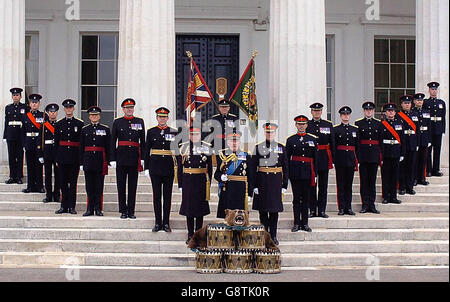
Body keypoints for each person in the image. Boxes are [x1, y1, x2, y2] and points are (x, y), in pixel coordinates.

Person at [252, 123, 288, 245]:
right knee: (262, 211)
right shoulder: (258, 147)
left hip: (275, 182)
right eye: (268, 132)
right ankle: (264, 234)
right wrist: (254, 186)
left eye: (272, 132)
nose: (270, 134)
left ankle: (273, 235)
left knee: (274, 211)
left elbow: (285, 168)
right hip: (262, 182)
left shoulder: (281, 147)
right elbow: (253, 168)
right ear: (265, 133)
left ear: (275, 133)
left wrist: (284, 185)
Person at [110, 98, 145, 219]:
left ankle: (131, 210)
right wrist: (112, 159)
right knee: (121, 185)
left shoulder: (139, 121)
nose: (129, 109)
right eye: (127, 108)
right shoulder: (117, 122)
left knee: (132, 185)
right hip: (121, 157)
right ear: (123, 109)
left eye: (131, 107)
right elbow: (112, 141)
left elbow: (143, 142)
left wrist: (143, 158)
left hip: (134, 157)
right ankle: (123, 210)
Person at [144, 107, 178, 231]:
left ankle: (166, 223)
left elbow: (177, 152)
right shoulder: (151, 131)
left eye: (164, 117)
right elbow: (147, 150)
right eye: (160, 117)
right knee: (157, 196)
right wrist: (146, 168)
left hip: (168, 168)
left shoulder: (174, 132)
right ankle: (158, 222)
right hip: (155, 168)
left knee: (167, 197)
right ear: (157, 118)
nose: (162, 119)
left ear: (167, 118)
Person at [176, 127, 212, 244]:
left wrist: (209, 183)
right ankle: (190, 233)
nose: (194, 136)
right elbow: (180, 167)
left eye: (196, 134)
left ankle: (198, 234)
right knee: (189, 209)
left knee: (200, 209)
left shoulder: (206, 147)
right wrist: (180, 184)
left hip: (201, 181)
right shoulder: (184, 147)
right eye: (192, 134)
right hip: (188, 181)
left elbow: (210, 167)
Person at [286, 115, 317, 232]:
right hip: (295, 173)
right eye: (299, 124)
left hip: (308, 173)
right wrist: (288, 174)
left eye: (303, 124)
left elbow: (316, 158)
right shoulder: (291, 140)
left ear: (307, 125)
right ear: (296, 125)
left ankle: (305, 223)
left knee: (306, 199)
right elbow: (287, 158)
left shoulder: (312, 139)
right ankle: (296, 223)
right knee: (296, 199)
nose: (301, 126)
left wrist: (316, 174)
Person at [214, 130, 254, 219]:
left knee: (240, 219)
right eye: (232, 141)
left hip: (241, 191)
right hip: (227, 191)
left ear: (239, 142)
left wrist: (250, 193)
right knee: (227, 218)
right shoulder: (222, 155)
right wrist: (221, 177)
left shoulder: (246, 155)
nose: (234, 143)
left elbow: (251, 176)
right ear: (228, 142)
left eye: (236, 141)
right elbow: (216, 174)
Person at [54, 99, 84, 215]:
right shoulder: (59, 124)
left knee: (73, 183)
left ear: (73, 109)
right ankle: (63, 206)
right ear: (64, 109)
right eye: (66, 108)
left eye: (70, 107)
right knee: (62, 183)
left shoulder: (79, 123)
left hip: (74, 158)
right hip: (62, 158)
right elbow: (56, 143)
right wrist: (56, 158)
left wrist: (80, 159)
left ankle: (72, 206)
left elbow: (81, 144)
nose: (68, 109)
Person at [80, 106, 111, 217]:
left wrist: (108, 160)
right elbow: (81, 147)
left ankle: (98, 209)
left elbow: (108, 146)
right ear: (89, 116)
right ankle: (89, 209)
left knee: (99, 186)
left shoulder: (105, 129)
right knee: (89, 186)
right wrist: (81, 162)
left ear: (99, 116)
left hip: (100, 161)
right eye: (92, 115)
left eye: (96, 115)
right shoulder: (84, 129)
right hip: (88, 160)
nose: (94, 117)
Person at [306, 102, 334, 218]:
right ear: (311, 112)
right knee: (312, 186)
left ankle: (321, 210)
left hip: (323, 158)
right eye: (314, 111)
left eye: (318, 111)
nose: (316, 112)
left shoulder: (328, 124)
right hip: (311, 159)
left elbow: (332, 142)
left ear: (321, 112)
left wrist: (332, 159)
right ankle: (312, 210)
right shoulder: (307, 124)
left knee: (323, 186)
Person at [355, 101, 382, 214]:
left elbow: (380, 141)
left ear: (373, 111)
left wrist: (380, 157)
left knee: (372, 181)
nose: (368, 111)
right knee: (364, 182)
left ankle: (372, 204)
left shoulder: (378, 123)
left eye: (370, 109)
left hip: (374, 156)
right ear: (364, 111)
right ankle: (365, 204)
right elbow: (357, 142)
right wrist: (358, 158)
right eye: (366, 110)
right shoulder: (358, 123)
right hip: (363, 156)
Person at [333, 106, 359, 216]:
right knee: (341, 185)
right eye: (344, 114)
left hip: (351, 159)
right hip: (340, 160)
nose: (346, 116)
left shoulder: (355, 129)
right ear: (340, 116)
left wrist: (357, 160)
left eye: (347, 114)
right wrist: (334, 160)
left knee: (349, 185)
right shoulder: (335, 129)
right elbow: (334, 146)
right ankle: (341, 208)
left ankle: (348, 207)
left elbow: (357, 146)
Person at [380, 103, 406, 205]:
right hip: (386, 153)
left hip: (396, 152)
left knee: (395, 176)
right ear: (386, 113)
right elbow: (380, 140)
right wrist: (381, 154)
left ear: (395, 112)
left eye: (392, 111)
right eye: (388, 111)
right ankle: (386, 196)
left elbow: (403, 139)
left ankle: (394, 196)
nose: (390, 112)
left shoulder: (400, 123)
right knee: (385, 175)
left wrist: (402, 154)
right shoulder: (382, 124)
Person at [21, 94, 45, 193]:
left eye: (36, 102)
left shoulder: (43, 115)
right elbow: (22, 132)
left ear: (39, 104)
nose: (34, 104)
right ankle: (30, 186)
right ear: (30, 104)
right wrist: (23, 144)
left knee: (39, 165)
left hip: (39, 143)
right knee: (30, 165)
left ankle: (40, 186)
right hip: (29, 142)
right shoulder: (25, 116)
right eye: (32, 102)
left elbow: (45, 131)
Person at [3, 87, 27, 184]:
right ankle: (12, 176)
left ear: (20, 96)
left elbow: (26, 123)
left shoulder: (25, 107)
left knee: (19, 155)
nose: (15, 97)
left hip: (20, 134)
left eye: (17, 95)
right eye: (14, 95)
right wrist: (5, 135)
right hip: (10, 134)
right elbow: (6, 122)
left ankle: (19, 176)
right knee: (11, 156)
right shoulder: (8, 107)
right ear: (12, 97)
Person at [397, 95, 419, 195]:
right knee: (402, 167)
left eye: (409, 103)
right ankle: (402, 187)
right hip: (403, 143)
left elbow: (418, 130)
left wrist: (417, 143)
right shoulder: (398, 115)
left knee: (411, 166)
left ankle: (409, 187)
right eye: (405, 103)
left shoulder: (415, 115)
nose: (407, 105)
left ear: (411, 104)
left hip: (412, 143)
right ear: (401, 104)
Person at [39, 103, 60, 203]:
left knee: (58, 175)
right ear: (48, 113)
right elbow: (40, 141)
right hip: (47, 152)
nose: (52, 113)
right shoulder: (43, 126)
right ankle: (48, 195)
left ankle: (56, 195)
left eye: (54, 111)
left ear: (57, 113)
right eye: (51, 112)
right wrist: (40, 154)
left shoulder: (60, 125)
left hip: (57, 153)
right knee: (47, 175)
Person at [424, 81, 446, 177]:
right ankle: (428, 170)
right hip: (429, 129)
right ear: (429, 90)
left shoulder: (441, 103)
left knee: (437, 150)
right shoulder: (425, 102)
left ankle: (436, 169)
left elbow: (443, 117)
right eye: (432, 89)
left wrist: (443, 130)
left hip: (438, 129)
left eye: (435, 89)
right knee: (428, 150)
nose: (434, 91)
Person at [412, 93, 431, 186]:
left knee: (423, 159)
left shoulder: (426, 112)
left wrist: (429, 140)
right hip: (416, 138)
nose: (420, 102)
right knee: (415, 159)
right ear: (414, 101)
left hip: (424, 138)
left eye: (421, 100)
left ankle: (422, 178)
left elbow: (429, 126)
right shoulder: (412, 112)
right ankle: (415, 178)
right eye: (418, 100)